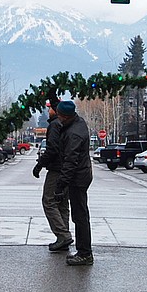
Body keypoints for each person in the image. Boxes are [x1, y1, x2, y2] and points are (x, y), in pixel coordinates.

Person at [54, 100, 94, 266]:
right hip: (83, 174)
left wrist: (61, 185)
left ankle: (85, 253)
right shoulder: (78, 122)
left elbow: (71, 161)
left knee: (80, 216)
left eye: (59, 116)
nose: (58, 119)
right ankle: (83, 251)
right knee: (81, 214)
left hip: (78, 178)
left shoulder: (73, 135)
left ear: (64, 117)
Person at [33, 98, 72, 252]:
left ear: (56, 111)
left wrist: (39, 165)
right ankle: (64, 237)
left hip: (56, 169)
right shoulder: (66, 124)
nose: (48, 110)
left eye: (49, 108)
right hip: (67, 168)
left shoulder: (54, 125)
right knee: (62, 203)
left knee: (48, 201)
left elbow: (52, 149)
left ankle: (63, 235)